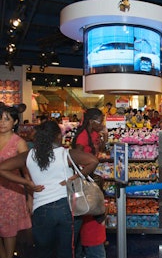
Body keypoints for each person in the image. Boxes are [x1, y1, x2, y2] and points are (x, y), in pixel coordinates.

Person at [0, 120, 99, 258]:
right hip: (67, 207)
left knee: (43, 252)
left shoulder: (29, 155)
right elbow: (93, 161)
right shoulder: (66, 154)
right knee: (66, 251)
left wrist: (27, 183)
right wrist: (76, 177)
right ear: (58, 136)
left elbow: (2, 168)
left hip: (41, 209)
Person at [71, 108, 107, 258]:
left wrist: (105, 138)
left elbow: (101, 149)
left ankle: (91, 242)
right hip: (83, 179)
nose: (103, 123)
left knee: (91, 214)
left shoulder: (94, 134)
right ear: (92, 121)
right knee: (84, 213)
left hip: (90, 176)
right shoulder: (82, 136)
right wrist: (83, 176)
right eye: (101, 120)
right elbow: (76, 157)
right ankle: (81, 248)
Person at [0, 105, 32, 258]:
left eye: (7, 119)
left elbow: (27, 171)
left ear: (15, 122)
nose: (2, 122)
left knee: (8, 231)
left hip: (11, 192)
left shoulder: (18, 142)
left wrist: (30, 197)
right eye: (0, 118)